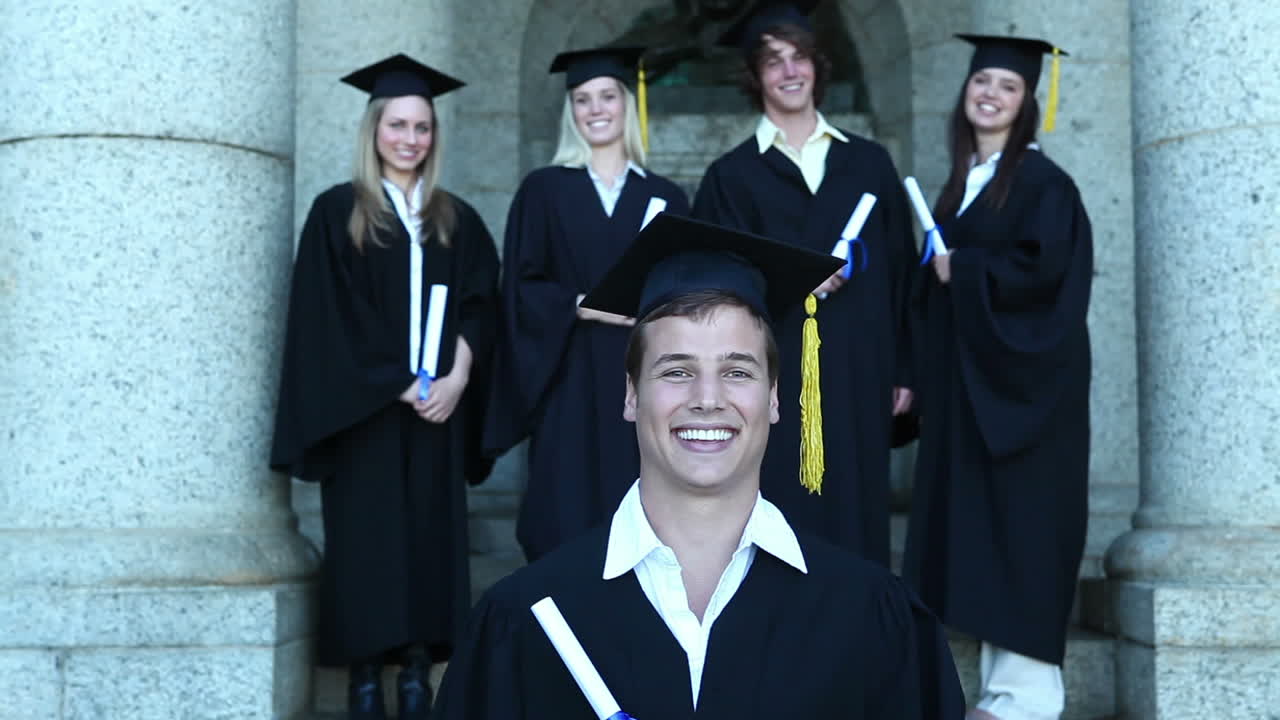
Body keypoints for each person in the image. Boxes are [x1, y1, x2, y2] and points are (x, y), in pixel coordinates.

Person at [434, 213, 965, 719]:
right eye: (676, 370)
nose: (707, 399)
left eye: (737, 371)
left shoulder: (871, 617)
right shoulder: (524, 622)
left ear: (776, 397)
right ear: (629, 394)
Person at [269, 54, 500, 720]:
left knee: (431, 537)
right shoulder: (339, 213)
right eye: (397, 124)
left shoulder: (455, 219)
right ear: (374, 130)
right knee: (368, 541)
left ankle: (419, 671)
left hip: (437, 411)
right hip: (367, 411)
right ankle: (367, 675)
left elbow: (483, 304)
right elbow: (325, 317)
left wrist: (457, 375)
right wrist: (396, 381)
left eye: (422, 126)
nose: (410, 139)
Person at [901, 34, 1093, 720]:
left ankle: (1027, 702)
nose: (989, 94)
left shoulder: (1045, 186)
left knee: (1025, 533)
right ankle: (998, 695)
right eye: (981, 82)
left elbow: (1049, 283)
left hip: (1030, 394)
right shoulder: (966, 186)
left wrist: (966, 272)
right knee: (988, 537)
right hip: (975, 392)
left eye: (1007, 87)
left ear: (1027, 103)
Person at [690, 0, 916, 566]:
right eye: (773, 62)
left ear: (818, 66)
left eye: (801, 58)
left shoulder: (868, 164)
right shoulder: (731, 176)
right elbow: (715, 280)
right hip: (774, 371)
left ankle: (861, 640)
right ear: (755, 76)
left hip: (862, 365)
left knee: (859, 506)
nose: (790, 72)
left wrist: (905, 370)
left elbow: (903, 274)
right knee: (779, 503)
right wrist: (794, 284)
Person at [485, 46, 690, 561]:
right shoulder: (544, 190)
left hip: (644, 379)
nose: (596, 109)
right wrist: (580, 305)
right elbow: (521, 287)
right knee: (565, 510)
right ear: (570, 112)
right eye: (582, 100)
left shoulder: (665, 197)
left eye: (607, 97)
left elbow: (689, 289)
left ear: (627, 105)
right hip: (568, 378)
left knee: (644, 506)